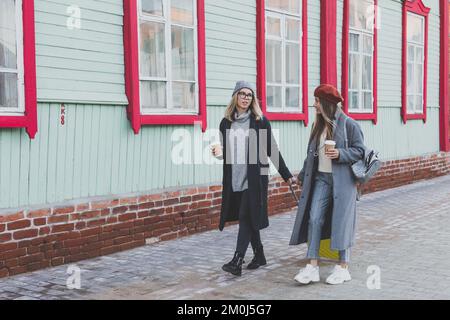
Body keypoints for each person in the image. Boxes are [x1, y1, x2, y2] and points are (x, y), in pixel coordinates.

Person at [212, 81, 296, 276]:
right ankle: (259, 255)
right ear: (235, 96)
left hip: (256, 178)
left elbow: (272, 150)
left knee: (245, 216)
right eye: (242, 94)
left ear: (253, 99)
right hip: (235, 177)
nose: (246, 97)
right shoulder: (226, 123)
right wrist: (219, 152)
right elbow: (227, 152)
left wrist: (287, 175)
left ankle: (237, 260)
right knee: (249, 218)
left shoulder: (260, 121)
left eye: (249, 95)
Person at [289, 84, 365, 285]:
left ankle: (343, 267)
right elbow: (311, 155)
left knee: (342, 222)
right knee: (314, 219)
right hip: (321, 179)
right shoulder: (319, 126)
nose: (314, 105)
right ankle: (312, 266)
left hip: (343, 181)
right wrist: (303, 176)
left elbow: (360, 151)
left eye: (316, 101)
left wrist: (340, 154)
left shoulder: (349, 124)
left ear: (326, 103)